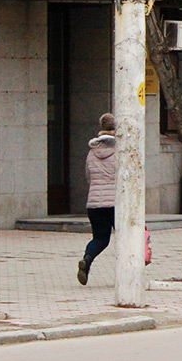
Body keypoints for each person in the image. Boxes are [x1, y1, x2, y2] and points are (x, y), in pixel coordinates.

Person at [78, 113, 117, 285]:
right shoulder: (120, 151)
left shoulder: (92, 153)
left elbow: (88, 177)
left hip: (94, 203)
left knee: (100, 239)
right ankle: (127, 274)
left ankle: (88, 258)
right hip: (115, 203)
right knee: (126, 238)